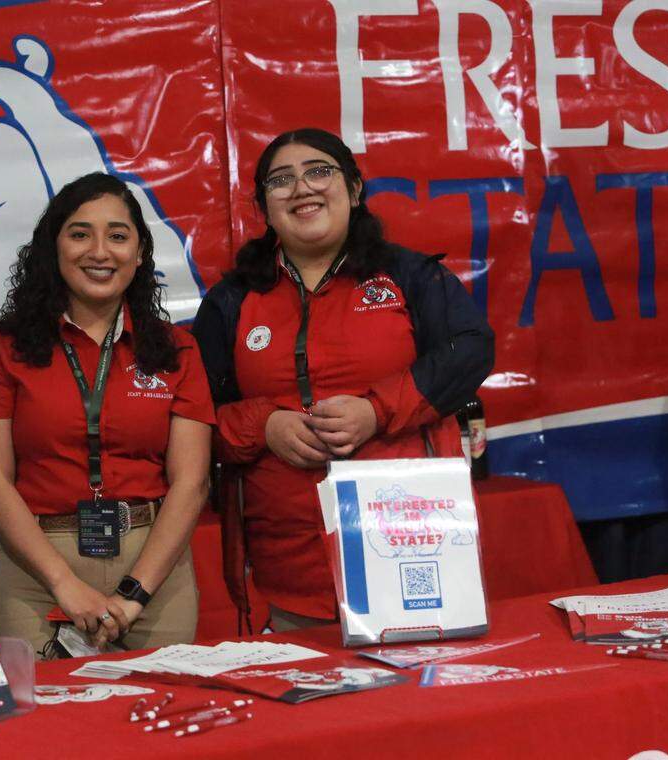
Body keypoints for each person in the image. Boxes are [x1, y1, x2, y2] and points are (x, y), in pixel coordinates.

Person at [192, 128, 493, 631]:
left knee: (423, 701)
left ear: (354, 190)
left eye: (319, 171)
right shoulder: (231, 301)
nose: (302, 188)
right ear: (264, 207)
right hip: (287, 565)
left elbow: (471, 352)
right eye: (281, 180)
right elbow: (192, 420)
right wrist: (263, 425)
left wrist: (375, 412)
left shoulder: (410, 276)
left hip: (409, 544)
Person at [0, 172, 213, 654]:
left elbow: (192, 482)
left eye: (118, 236)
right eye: (80, 233)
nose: (99, 251)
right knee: (55, 725)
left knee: (159, 715)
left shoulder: (176, 349)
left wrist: (136, 593)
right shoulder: (5, 348)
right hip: (38, 572)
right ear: (52, 248)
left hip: (155, 570)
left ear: (139, 254)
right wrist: (64, 585)